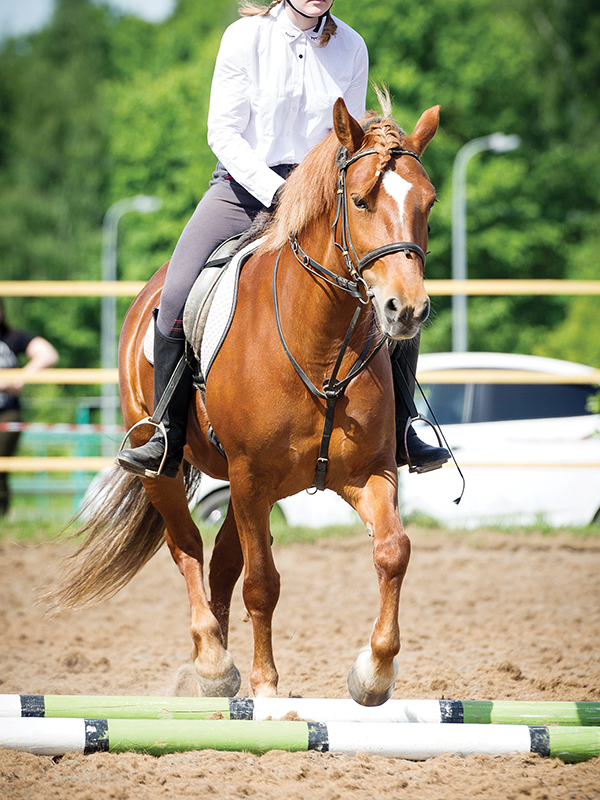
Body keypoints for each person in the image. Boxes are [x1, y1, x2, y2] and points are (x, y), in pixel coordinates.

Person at [117, 0, 449, 479]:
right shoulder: (244, 38)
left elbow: (348, 140)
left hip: (323, 196)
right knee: (177, 293)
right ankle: (166, 434)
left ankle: (401, 429)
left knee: (394, 284)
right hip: (241, 189)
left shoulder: (351, 46)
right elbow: (223, 133)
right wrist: (279, 194)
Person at [0, 299, 59, 517]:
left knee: (1, 470)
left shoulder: (12, 338)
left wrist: (18, 379)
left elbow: (49, 354)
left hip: (6, 413)